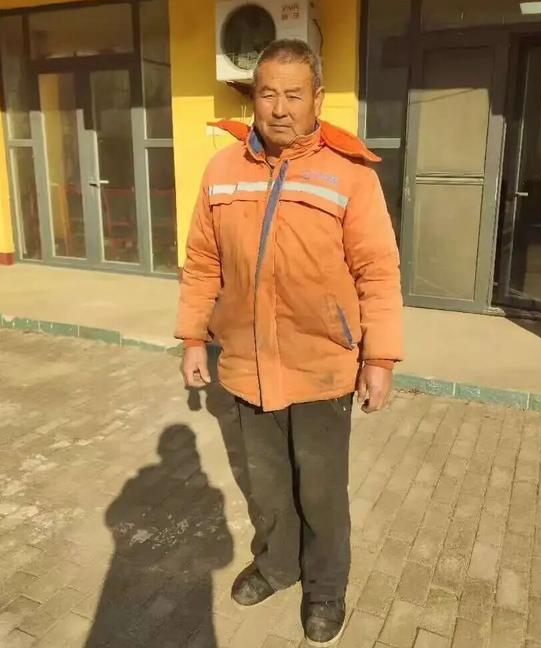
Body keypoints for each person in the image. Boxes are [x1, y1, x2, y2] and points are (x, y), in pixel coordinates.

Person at [175, 39, 403, 646]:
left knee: (321, 491)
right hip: (246, 364)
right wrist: (193, 337)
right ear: (253, 97)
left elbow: (377, 272)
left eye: (293, 95)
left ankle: (325, 588)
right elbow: (202, 262)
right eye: (268, 94)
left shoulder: (349, 174)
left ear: (317, 99)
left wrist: (379, 358)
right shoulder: (222, 171)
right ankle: (277, 566)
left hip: (322, 364)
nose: (279, 108)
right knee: (269, 484)